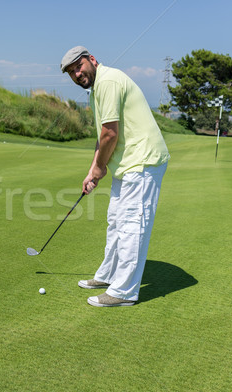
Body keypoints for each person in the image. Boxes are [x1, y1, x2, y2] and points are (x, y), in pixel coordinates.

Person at [60, 46, 170, 307]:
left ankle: (124, 292)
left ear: (92, 60)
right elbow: (103, 136)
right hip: (128, 164)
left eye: (78, 66)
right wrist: (93, 171)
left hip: (142, 161)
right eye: (71, 72)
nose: (76, 74)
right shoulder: (97, 89)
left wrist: (100, 168)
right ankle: (109, 275)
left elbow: (110, 133)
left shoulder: (108, 81)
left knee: (132, 225)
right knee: (116, 221)